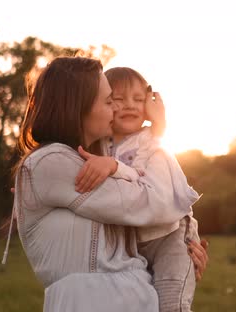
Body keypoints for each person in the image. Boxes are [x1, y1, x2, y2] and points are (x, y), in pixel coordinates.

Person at [3, 56, 208, 312]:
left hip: (139, 299)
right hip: (90, 302)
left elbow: (147, 220)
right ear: (80, 105)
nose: (118, 109)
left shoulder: (105, 159)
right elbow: (154, 202)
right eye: (110, 100)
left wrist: (179, 252)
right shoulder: (52, 161)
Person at [75, 66, 201, 312]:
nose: (130, 105)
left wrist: (158, 120)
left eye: (139, 99)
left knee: (171, 301)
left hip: (171, 236)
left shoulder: (150, 139)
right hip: (133, 242)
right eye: (119, 99)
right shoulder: (99, 143)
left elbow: (143, 177)